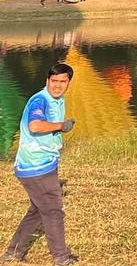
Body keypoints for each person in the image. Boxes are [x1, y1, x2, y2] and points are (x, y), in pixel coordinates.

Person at [3, 62, 77, 266]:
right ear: (47, 81)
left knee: (37, 210)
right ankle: (61, 258)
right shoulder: (40, 100)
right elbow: (35, 126)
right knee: (53, 210)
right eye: (54, 81)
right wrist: (61, 126)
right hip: (35, 166)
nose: (57, 85)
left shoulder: (57, 100)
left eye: (62, 82)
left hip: (46, 163)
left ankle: (12, 253)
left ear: (68, 83)